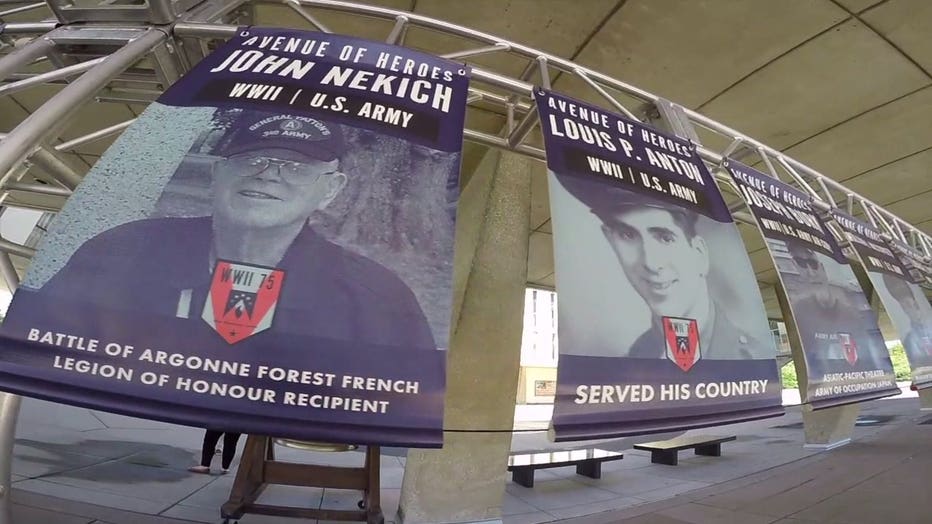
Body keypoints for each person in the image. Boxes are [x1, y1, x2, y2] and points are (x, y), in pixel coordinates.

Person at [37, 111, 437, 351]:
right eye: (252, 158)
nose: (266, 175)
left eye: (295, 166)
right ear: (218, 174)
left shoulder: (377, 301)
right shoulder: (119, 253)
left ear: (330, 190)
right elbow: (40, 344)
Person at [557, 174, 762, 362]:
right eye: (627, 235)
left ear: (699, 253)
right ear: (610, 240)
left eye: (665, 238)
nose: (651, 263)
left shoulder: (756, 358)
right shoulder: (632, 362)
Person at [783, 242, 885, 375]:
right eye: (801, 263)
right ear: (795, 266)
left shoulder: (851, 311)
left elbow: (871, 354)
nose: (810, 271)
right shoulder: (800, 311)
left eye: (813, 264)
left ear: (822, 268)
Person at [882, 272, 932, 365]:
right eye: (907, 306)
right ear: (904, 310)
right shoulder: (909, 342)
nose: (913, 308)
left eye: (914, 305)